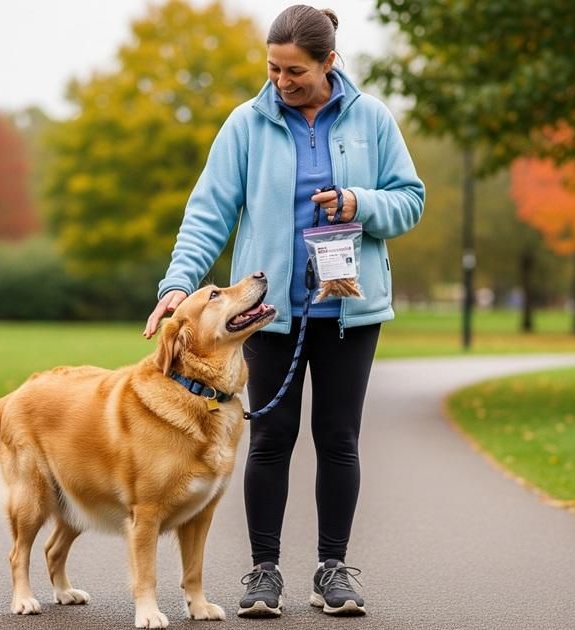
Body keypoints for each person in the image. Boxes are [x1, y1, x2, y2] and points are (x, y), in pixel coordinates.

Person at [143, 4, 424, 619]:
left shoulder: (372, 118)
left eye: (294, 70)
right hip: (265, 319)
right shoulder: (246, 125)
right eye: (273, 68)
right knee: (270, 437)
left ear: (328, 62)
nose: (281, 81)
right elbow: (207, 214)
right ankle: (263, 573)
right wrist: (176, 286)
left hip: (351, 314)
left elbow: (410, 201)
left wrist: (358, 202)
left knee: (339, 439)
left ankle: (333, 570)